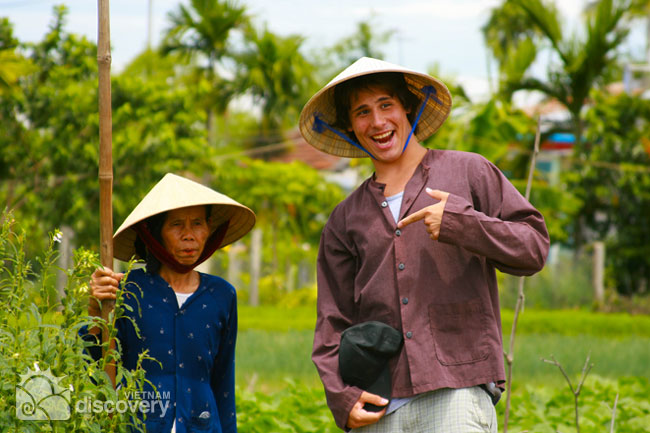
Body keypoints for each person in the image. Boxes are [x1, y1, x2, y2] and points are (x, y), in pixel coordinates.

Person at [298, 57, 550, 432]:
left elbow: (533, 248)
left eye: (387, 105)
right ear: (350, 127)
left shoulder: (469, 172)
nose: (378, 122)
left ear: (409, 108)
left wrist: (463, 224)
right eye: (362, 112)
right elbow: (332, 321)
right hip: (379, 407)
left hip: (456, 395)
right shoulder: (344, 218)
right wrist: (342, 396)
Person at [86, 173, 255, 433]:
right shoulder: (127, 289)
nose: (189, 235)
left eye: (197, 223)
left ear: (209, 229)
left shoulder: (222, 295)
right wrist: (95, 311)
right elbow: (92, 363)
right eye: (177, 224)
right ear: (156, 234)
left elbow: (223, 382)